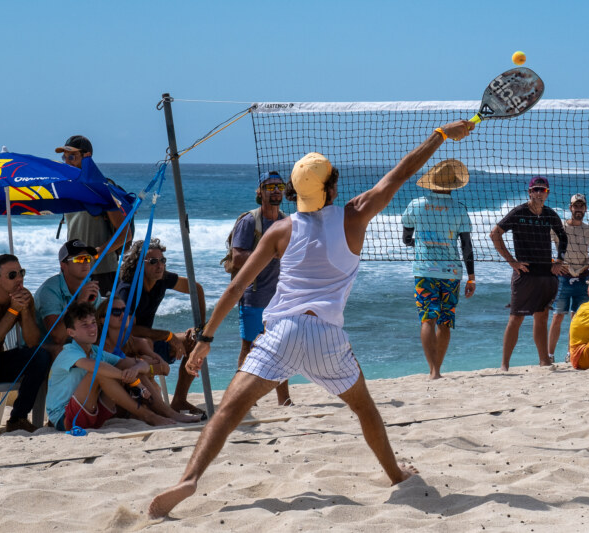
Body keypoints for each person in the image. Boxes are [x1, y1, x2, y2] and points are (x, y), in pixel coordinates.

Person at [148, 119, 475, 519]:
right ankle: (395, 476)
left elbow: (234, 289)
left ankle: (190, 479)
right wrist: (440, 136)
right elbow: (403, 173)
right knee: (365, 410)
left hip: (280, 333)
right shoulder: (355, 214)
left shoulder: (280, 230)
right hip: (326, 337)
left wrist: (205, 340)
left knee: (229, 412)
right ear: (332, 188)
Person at [45, 302, 175, 432]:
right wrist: (125, 376)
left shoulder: (96, 351)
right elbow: (97, 368)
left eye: (93, 323)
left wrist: (134, 370)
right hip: (66, 418)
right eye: (85, 325)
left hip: (95, 414)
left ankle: (167, 412)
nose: (92, 328)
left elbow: (141, 365)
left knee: (125, 367)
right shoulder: (68, 352)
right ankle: (148, 416)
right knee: (100, 372)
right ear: (71, 332)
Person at [401, 159, 475, 379]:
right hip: (451, 272)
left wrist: (421, 244)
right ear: (452, 186)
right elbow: (466, 246)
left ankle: (431, 370)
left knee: (427, 319)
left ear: (431, 183)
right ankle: (438, 370)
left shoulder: (415, 205)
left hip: (424, 270)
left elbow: (406, 239)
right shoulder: (460, 209)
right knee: (445, 321)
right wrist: (471, 277)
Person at [116, 239, 206, 416]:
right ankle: (150, 400)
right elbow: (126, 330)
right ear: (137, 265)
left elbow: (196, 289)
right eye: (153, 261)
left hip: (150, 341)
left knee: (193, 341)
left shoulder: (162, 279)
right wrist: (167, 335)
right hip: (125, 347)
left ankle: (179, 400)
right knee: (147, 342)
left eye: (162, 260)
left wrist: (200, 327)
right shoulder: (128, 289)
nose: (160, 266)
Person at [224, 170, 291, 405]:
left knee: (280, 348)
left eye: (279, 187)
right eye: (270, 187)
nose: (275, 191)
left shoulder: (285, 220)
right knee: (250, 347)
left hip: (279, 297)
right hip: (253, 295)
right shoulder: (250, 221)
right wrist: (269, 254)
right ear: (259, 192)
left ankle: (284, 400)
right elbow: (238, 257)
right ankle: (239, 397)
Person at [489, 176, 568, 368]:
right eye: (537, 190)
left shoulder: (550, 214)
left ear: (547, 193)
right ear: (530, 192)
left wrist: (559, 260)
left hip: (546, 274)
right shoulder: (519, 212)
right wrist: (512, 262)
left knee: (541, 317)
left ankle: (544, 361)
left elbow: (563, 237)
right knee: (516, 318)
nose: (540, 193)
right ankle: (505, 365)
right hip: (525, 274)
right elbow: (495, 234)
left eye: (544, 190)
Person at [95, 299, 200, 423]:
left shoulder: (137, 342)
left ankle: (166, 413)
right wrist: (139, 363)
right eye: (116, 312)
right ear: (102, 319)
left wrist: (143, 365)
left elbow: (165, 368)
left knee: (137, 368)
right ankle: (169, 413)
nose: (123, 315)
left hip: (136, 398)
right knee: (134, 366)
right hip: (110, 401)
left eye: (126, 311)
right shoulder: (97, 345)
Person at [0, 254, 51, 436]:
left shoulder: (23, 296)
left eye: (21, 272)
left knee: (39, 356)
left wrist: (25, 311)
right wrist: (13, 311)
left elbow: (33, 342)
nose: (19, 278)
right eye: (12, 275)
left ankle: (18, 419)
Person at [56, 135, 132, 293]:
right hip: (72, 272)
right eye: (65, 157)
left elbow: (125, 234)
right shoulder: (69, 189)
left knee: (101, 318)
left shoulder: (102, 188)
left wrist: (98, 252)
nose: (67, 161)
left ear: (87, 156)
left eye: (72, 156)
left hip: (101, 272)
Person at [548, 193, 589, 362]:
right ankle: (549, 355)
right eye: (575, 206)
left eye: (581, 206)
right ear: (570, 207)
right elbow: (542, 243)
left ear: (585, 208)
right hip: (563, 277)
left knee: (577, 318)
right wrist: (552, 263)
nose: (578, 209)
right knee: (557, 317)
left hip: (583, 277)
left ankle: (571, 353)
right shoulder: (560, 228)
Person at [35, 240, 102, 357]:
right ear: (63, 265)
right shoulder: (49, 290)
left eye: (88, 258)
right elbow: (57, 337)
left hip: (73, 346)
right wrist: (80, 301)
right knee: (63, 351)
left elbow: (95, 331)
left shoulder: (90, 288)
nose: (85, 263)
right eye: (79, 259)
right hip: (40, 348)